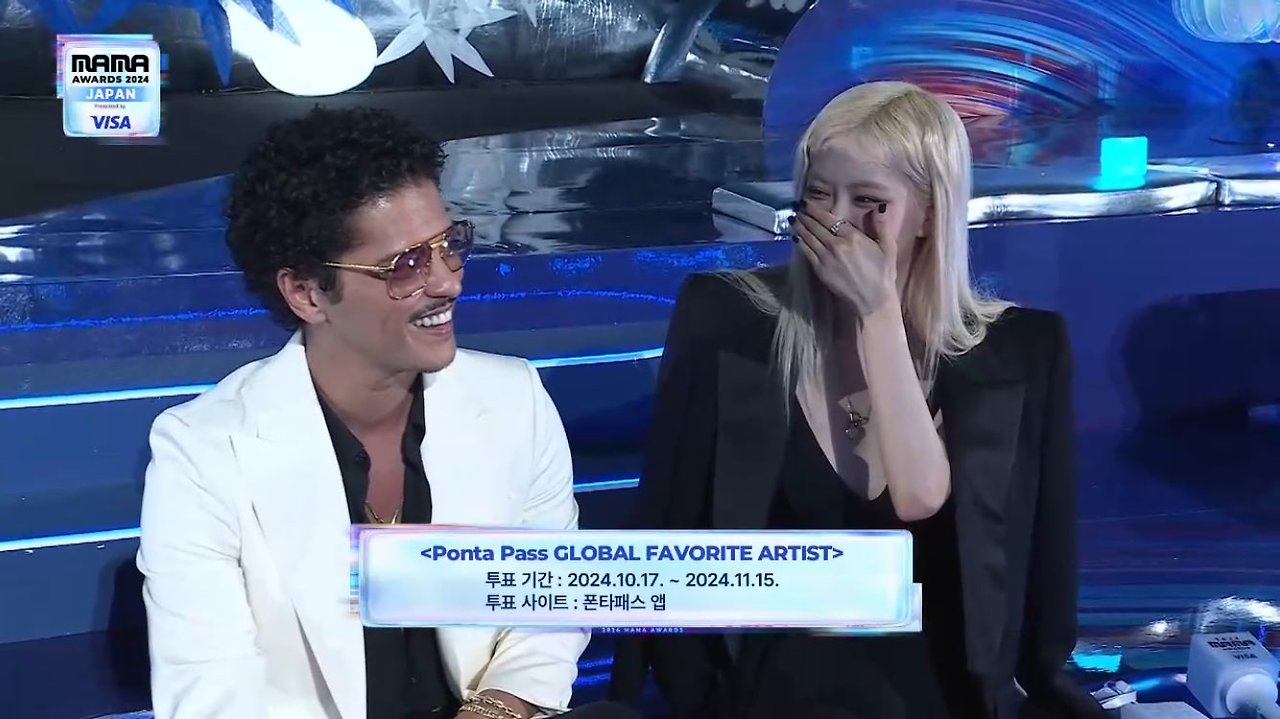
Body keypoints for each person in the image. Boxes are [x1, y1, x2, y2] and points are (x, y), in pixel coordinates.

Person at [609, 82, 1105, 719]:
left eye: (870, 202)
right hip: (768, 689)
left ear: (929, 214)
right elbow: (664, 518)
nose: (837, 223)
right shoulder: (727, 318)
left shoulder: (1023, 349)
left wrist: (878, 316)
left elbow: (924, 498)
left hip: (939, 687)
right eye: (820, 194)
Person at [137, 107, 637, 719]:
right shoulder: (202, 451)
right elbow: (210, 696)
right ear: (308, 293)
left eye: (449, 247)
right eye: (406, 266)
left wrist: (496, 709)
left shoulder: (514, 399)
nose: (447, 283)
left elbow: (547, 607)